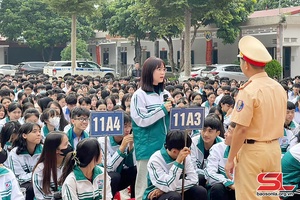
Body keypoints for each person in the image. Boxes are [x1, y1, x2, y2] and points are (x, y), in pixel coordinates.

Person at [225, 35, 287, 200]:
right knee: (271, 196)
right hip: (274, 149)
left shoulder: (248, 90)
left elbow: (241, 128)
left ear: (245, 64)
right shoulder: (279, 88)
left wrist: (230, 159)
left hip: (252, 152)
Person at [130, 57, 172, 200]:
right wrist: (162, 109)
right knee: (143, 185)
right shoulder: (139, 95)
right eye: (159, 69)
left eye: (164, 69)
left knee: (161, 186)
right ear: (149, 72)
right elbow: (141, 119)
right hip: (147, 147)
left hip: (165, 147)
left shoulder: (165, 94)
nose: (162, 73)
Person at [143, 130, 207, 200]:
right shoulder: (155, 160)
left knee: (200, 191)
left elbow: (194, 179)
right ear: (174, 151)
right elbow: (168, 185)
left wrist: (164, 190)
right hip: (154, 194)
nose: (188, 152)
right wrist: (178, 163)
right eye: (185, 150)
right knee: (174, 196)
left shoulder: (185, 156)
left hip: (168, 190)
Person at [98, 113, 136, 198]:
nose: (127, 130)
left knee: (135, 170)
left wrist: (130, 146)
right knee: (114, 176)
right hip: (104, 180)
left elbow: (131, 165)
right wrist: (122, 148)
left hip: (120, 177)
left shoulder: (127, 139)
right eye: (125, 126)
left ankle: (134, 198)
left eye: (130, 126)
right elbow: (109, 168)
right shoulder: (104, 140)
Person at [32, 131, 73, 200]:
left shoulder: (71, 164)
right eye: (66, 144)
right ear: (57, 150)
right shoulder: (40, 169)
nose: (69, 146)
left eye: (68, 142)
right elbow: (40, 196)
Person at [8, 122, 42, 200]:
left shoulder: (44, 150)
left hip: (42, 181)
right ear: (24, 135)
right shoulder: (15, 153)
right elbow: (18, 178)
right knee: (30, 188)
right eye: (34, 131)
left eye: (39, 131)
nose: (38, 134)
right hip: (24, 185)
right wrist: (37, 175)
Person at [204, 122, 236, 200]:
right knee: (218, 188)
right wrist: (228, 183)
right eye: (227, 130)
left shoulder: (248, 154)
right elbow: (209, 172)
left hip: (240, 188)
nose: (225, 134)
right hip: (223, 187)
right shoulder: (217, 148)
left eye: (229, 131)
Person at [190, 114, 223, 187]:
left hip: (215, 179)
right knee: (200, 178)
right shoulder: (193, 142)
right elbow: (192, 167)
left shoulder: (222, 145)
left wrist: (211, 176)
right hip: (197, 177)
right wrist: (206, 175)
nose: (205, 134)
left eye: (210, 131)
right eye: (203, 130)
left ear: (217, 133)